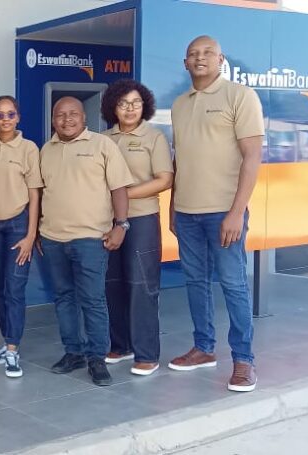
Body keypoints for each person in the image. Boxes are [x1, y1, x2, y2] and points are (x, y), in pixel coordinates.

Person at [168, 36, 264, 392]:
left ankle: (243, 360)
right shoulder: (179, 104)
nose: (200, 58)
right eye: (193, 53)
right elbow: (181, 160)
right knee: (195, 283)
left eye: (207, 52)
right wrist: (173, 207)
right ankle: (203, 348)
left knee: (234, 284)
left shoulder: (239, 96)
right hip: (188, 213)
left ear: (221, 59)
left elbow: (252, 157)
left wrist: (236, 212)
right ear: (185, 63)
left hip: (224, 212)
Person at [40, 97, 134, 387]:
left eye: (72, 115)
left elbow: (119, 188)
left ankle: (96, 358)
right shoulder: (47, 149)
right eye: (60, 115)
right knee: (64, 299)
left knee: (93, 300)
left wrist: (121, 225)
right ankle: (73, 352)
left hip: (91, 239)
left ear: (84, 118)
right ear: (53, 119)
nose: (66, 120)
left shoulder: (102, 145)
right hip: (53, 238)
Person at [100, 80, 174, 376]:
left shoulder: (153, 137)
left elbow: (164, 179)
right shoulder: (104, 139)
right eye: (122, 103)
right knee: (112, 284)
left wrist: (123, 194)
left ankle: (146, 353)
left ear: (145, 106)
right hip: (107, 220)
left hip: (142, 219)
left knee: (142, 286)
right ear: (112, 108)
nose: (129, 109)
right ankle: (120, 345)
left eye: (135, 103)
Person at [0, 95, 43, 379]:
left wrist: (31, 234)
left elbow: (34, 193)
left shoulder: (29, 148)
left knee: (15, 288)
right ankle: (7, 342)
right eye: (0, 115)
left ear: (18, 117)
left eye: (10, 114)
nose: (5, 120)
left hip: (18, 225)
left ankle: (13, 350)